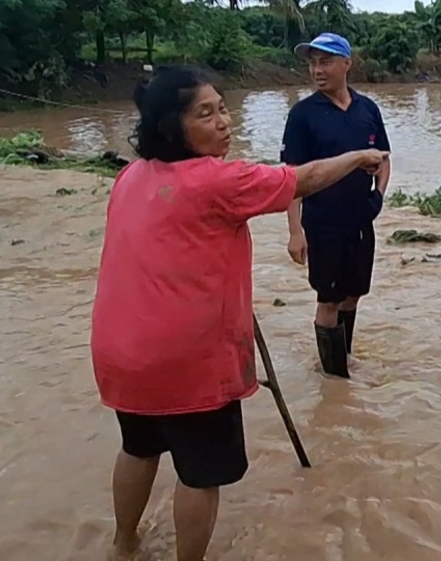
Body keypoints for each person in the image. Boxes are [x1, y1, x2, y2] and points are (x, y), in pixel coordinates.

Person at [89, 66, 387, 561]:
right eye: (205, 114)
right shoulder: (218, 180)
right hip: (185, 360)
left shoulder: (130, 176)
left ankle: (123, 546)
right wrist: (358, 156)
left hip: (123, 351)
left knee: (138, 448)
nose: (224, 121)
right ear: (171, 128)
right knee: (199, 475)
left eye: (223, 108)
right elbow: (303, 179)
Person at [280, 32, 392, 379]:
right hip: (322, 222)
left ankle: (343, 356)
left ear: (347, 64)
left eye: (325, 61)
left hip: (361, 220)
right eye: (312, 63)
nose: (317, 70)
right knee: (327, 300)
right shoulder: (302, 115)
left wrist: (378, 195)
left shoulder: (367, 109)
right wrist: (295, 231)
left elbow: (385, 159)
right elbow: (291, 178)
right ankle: (333, 376)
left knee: (353, 294)